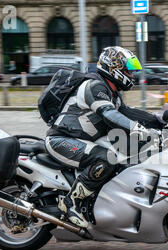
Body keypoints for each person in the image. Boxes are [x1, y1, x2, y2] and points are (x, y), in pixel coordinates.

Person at [45, 46, 162, 228]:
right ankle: (71, 203)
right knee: (107, 158)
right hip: (62, 139)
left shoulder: (112, 93)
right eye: (128, 72)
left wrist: (159, 121)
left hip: (80, 140)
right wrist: (137, 129)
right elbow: (109, 114)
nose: (131, 76)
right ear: (113, 69)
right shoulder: (95, 86)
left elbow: (127, 112)